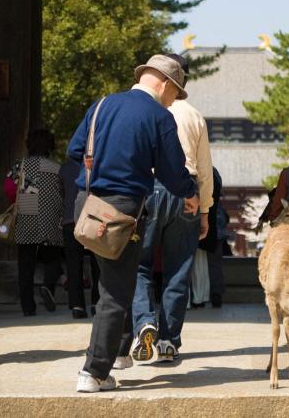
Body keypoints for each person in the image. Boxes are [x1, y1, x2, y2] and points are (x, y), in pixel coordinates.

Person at [67, 54, 198, 392]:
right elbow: (173, 171)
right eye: (176, 93)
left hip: (87, 205)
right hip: (123, 212)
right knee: (115, 292)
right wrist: (190, 193)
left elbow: (74, 149)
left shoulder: (102, 105)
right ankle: (93, 372)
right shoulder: (159, 116)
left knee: (112, 280)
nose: (174, 100)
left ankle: (119, 354)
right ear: (166, 83)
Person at [129, 54, 213, 363]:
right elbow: (205, 168)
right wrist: (205, 209)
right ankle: (168, 340)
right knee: (179, 269)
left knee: (139, 264)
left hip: (149, 188)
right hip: (186, 191)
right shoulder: (193, 114)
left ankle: (144, 323)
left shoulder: (143, 109)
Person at [4, 129, 63, 316]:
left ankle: (28, 308)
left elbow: (8, 189)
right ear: (50, 146)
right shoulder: (57, 168)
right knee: (54, 254)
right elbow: (64, 191)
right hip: (51, 214)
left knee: (26, 262)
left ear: (29, 145)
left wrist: (20, 198)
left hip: (27, 212)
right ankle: (47, 286)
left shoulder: (19, 166)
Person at [60, 156, 100, 319]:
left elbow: (62, 193)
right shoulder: (98, 163)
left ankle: (77, 305)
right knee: (97, 261)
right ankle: (97, 302)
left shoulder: (65, 168)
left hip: (70, 218)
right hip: (94, 217)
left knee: (73, 263)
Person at [205, 168, 228, 308]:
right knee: (215, 264)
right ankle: (216, 293)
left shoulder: (193, 170)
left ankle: (194, 296)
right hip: (217, 225)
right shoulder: (214, 173)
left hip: (195, 218)